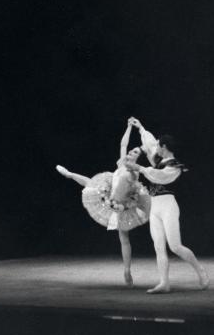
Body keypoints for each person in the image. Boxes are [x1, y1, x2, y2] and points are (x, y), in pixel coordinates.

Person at [56, 119, 151, 287]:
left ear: (138, 158)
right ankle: (69, 174)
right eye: (130, 153)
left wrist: (121, 203)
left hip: (122, 203)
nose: (129, 154)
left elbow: (132, 190)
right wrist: (128, 127)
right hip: (109, 190)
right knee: (92, 183)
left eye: (134, 153)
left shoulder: (134, 173)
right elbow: (123, 144)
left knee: (124, 238)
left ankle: (127, 270)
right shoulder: (123, 162)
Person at [127, 118, 210, 293]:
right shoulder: (157, 160)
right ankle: (164, 282)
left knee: (175, 246)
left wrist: (140, 168)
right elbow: (149, 144)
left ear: (164, 147)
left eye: (159, 145)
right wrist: (140, 127)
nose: (156, 147)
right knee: (158, 245)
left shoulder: (174, 166)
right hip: (154, 206)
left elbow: (160, 176)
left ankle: (200, 271)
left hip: (168, 206)